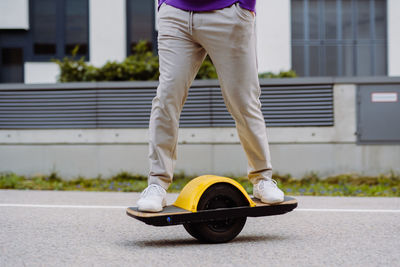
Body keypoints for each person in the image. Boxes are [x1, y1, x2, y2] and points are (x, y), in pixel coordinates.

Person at [137, 0, 284, 212]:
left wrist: (244, 6)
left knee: (243, 101)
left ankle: (262, 178)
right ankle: (157, 184)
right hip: (175, 12)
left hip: (228, 12)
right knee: (167, 97)